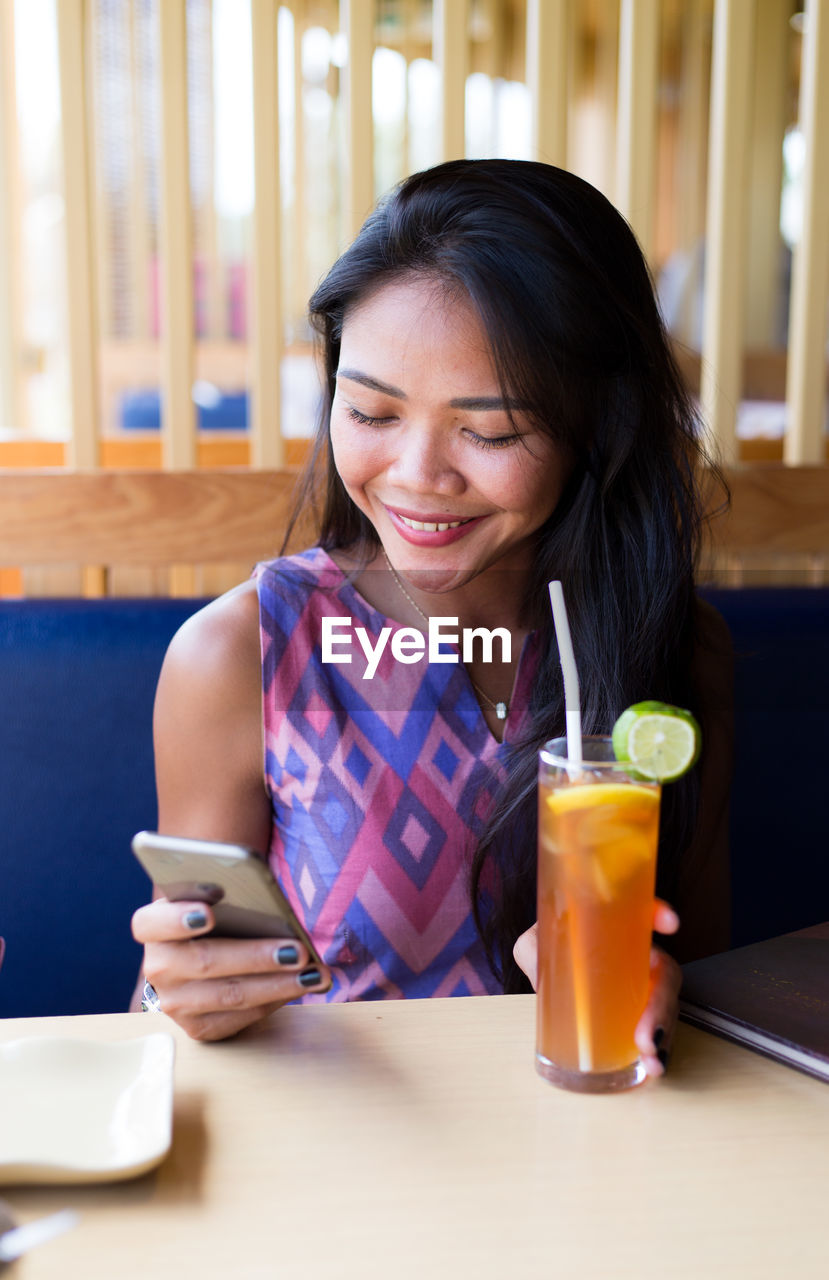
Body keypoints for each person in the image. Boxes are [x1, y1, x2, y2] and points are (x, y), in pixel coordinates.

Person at [131, 159, 733, 1073]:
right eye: (371, 411)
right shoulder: (239, 657)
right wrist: (175, 994)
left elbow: (711, 971)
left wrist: (660, 986)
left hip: (597, 1163)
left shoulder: (675, 653)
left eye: (488, 433)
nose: (417, 474)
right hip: (339, 1176)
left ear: (597, 426)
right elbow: (171, 1012)